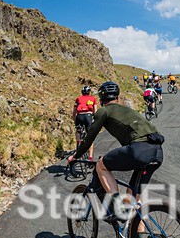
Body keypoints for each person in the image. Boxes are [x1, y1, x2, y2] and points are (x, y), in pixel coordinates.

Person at [68, 81, 164, 225]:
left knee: (101, 165)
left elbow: (89, 138)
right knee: (133, 199)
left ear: (101, 99)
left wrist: (75, 156)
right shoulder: (129, 111)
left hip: (138, 150)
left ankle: (118, 208)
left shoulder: (104, 111)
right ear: (118, 98)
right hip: (157, 152)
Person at [73, 86, 97, 161]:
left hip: (79, 116)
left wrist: (74, 120)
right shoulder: (93, 99)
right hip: (88, 116)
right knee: (90, 137)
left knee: (78, 131)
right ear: (89, 92)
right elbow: (95, 111)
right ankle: (90, 157)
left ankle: (78, 142)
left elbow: (74, 112)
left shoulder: (78, 99)